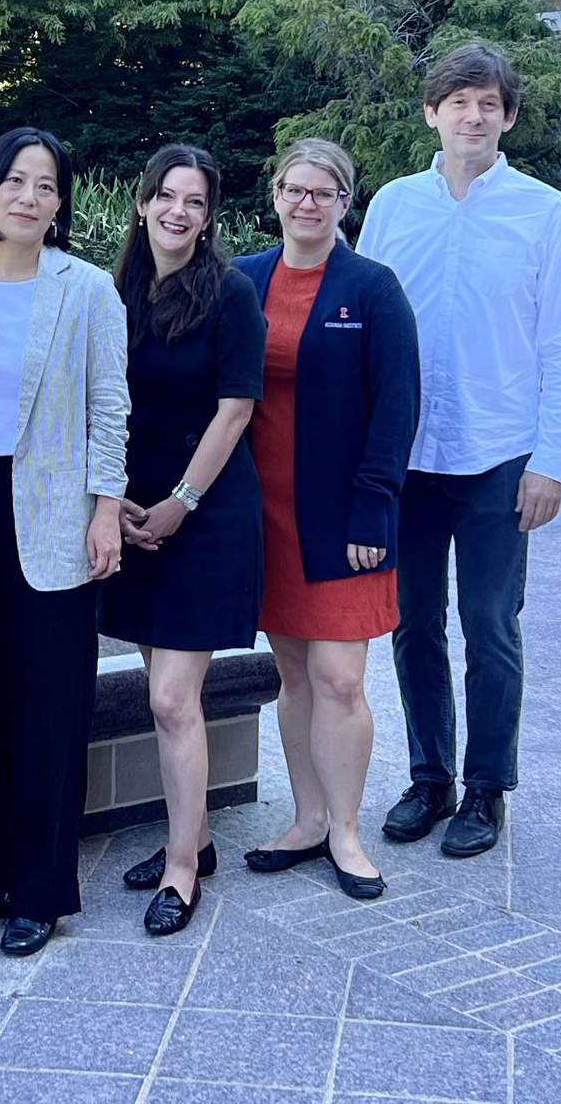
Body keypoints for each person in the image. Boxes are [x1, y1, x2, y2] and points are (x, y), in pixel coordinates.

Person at [358, 43, 561, 859]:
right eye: (458, 102)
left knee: (490, 624)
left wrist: (552, 459)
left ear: (508, 117)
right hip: (411, 456)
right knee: (412, 623)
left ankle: (488, 788)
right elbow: (372, 333)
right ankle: (431, 778)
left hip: (500, 456)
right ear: (432, 113)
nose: (473, 115)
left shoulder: (544, 213)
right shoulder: (392, 206)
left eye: (488, 103)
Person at [0, 127, 129, 957]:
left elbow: (110, 406)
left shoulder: (85, 291)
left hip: (52, 508)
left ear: (60, 203)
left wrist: (105, 507)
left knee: (50, 702)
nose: (29, 197)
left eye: (46, 185)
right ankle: (2, 872)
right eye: (15, 181)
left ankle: (43, 892)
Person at [233, 138, 419, 901]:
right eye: (293, 190)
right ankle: (307, 819)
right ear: (275, 195)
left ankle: (346, 831)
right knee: (293, 672)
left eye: (323, 193)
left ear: (346, 204)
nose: (306, 204)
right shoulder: (242, 279)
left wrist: (375, 504)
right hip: (262, 510)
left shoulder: (372, 289)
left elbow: (398, 404)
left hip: (345, 516)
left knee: (340, 678)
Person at [100, 145, 265, 936]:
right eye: (166, 196)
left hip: (206, 515)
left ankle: (180, 870)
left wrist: (179, 502)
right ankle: (194, 837)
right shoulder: (115, 292)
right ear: (142, 204)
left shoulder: (231, 295)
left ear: (208, 216)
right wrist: (119, 501)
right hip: (133, 511)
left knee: (172, 697)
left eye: (194, 201)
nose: (178, 211)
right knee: (155, 684)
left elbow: (235, 411)